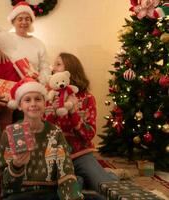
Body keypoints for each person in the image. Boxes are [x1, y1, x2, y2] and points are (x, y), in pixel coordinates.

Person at [44, 53, 118, 198]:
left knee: (108, 190)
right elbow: (44, 131)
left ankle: (103, 176)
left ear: (69, 69)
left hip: (80, 154)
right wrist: (52, 112)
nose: (53, 68)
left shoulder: (87, 98)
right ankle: (81, 180)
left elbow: (89, 135)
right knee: (60, 193)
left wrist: (73, 114)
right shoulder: (48, 95)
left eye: (58, 64)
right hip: (53, 155)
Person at [0, 78, 84, 200]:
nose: (33, 104)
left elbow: (66, 170)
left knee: (79, 185)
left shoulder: (55, 132)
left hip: (50, 193)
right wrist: (16, 165)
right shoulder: (9, 133)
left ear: (45, 103)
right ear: (20, 106)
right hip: (19, 194)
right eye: (27, 100)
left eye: (38, 99)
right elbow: (5, 184)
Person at [3, 1, 51, 83]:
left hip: (31, 88)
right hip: (8, 86)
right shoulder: (5, 38)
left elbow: (45, 68)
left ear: (31, 22)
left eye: (27, 19)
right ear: (13, 22)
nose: (24, 22)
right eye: (20, 19)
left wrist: (40, 81)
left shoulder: (39, 44)